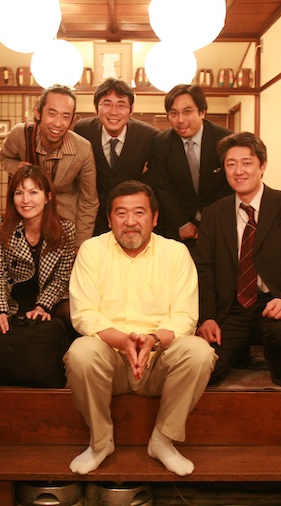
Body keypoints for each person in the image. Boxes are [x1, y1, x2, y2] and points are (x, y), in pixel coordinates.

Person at [64, 180, 216, 477]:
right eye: (121, 213)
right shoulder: (92, 251)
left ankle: (163, 440)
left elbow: (185, 317)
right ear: (109, 219)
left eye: (139, 212)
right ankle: (100, 443)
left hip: (159, 359)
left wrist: (152, 340)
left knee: (199, 352)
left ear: (155, 218)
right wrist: (123, 340)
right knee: (80, 352)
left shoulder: (175, 253)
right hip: (111, 360)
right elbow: (83, 314)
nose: (130, 222)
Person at [195, 132, 281, 387]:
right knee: (208, 372)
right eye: (231, 164)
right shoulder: (213, 214)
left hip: (273, 300)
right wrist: (207, 317)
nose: (238, 171)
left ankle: (276, 358)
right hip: (232, 307)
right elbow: (204, 269)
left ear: (262, 166)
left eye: (247, 163)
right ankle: (239, 350)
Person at [0, 84, 98, 247]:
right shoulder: (20, 135)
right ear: (38, 113)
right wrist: (18, 168)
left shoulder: (83, 149)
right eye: (52, 114)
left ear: (73, 119)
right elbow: (4, 157)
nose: (58, 123)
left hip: (64, 223)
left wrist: (80, 244)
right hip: (26, 221)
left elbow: (89, 201)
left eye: (65, 117)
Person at [0, 165, 76, 333]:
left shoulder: (65, 230)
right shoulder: (2, 225)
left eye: (33, 192)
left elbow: (61, 279)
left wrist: (42, 306)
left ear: (48, 197)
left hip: (49, 301)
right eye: (19, 193)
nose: (25, 200)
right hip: (13, 301)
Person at [148, 84, 233, 250]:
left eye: (187, 111)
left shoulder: (225, 140)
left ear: (202, 112)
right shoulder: (161, 143)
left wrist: (210, 221)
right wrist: (182, 223)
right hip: (177, 225)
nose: (180, 120)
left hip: (219, 221)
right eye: (174, 113)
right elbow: (163, 187)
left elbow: (228, 186)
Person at [73, 78, 160, 236]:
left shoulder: (149, 136)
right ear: (96, 108)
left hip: (130, 219)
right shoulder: (82, 130)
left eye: (121, 105)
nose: (114, 112)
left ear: (131, 110)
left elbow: (157, 176)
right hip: (92, 219)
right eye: (107, 104)